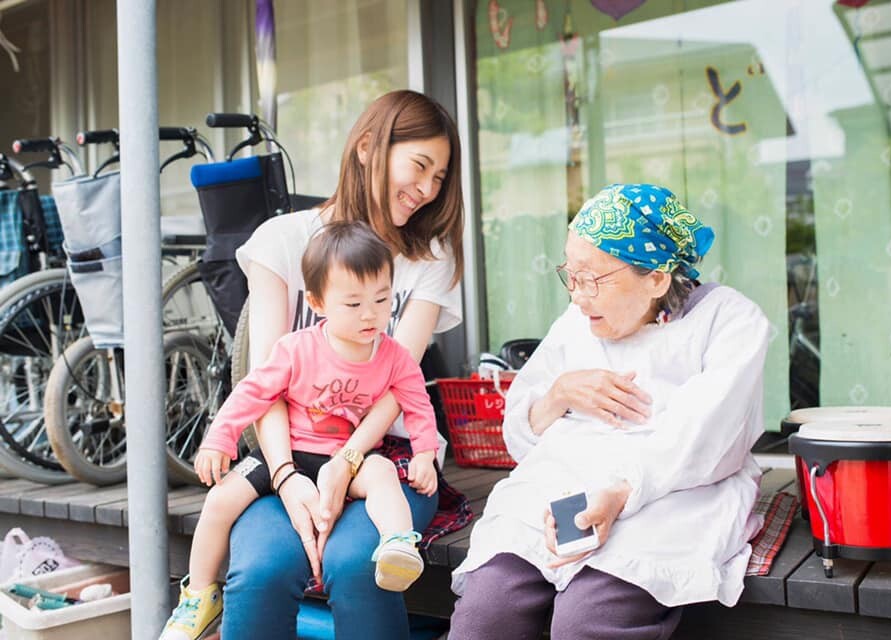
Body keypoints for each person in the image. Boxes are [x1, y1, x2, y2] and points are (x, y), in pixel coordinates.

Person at [448, 183, 771, 640]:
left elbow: (708, 438)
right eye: (571, 276)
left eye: (593, 279)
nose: (577, 296)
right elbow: (520, 430)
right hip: (563, 483)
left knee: (588, 620)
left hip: (674, 493)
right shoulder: (577, 322)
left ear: (657, 277)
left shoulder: (729, 322)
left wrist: (622, 492)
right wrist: (559, 394)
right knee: (488, 610)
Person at [220, 90, 464, 640]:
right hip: (293, 447)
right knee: (261, 570)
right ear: (367, 148)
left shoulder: (430, 259)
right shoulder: (280, 242)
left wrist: (347, 461)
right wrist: (285, 478)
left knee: (360, 565)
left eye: (440, 178)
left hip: (387, 454)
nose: (427, 190)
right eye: (420, 167)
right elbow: (267, 382)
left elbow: (397, 383)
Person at [160, 222, 440, 640]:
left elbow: (417, 403)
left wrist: (423, 452)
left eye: (382, 300)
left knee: (383, 475)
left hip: (347, 456)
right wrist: (219, 437)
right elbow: (252, 394)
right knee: (219, 501)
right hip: (291, 453)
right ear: (317, 301)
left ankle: (398, 542)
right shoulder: (297, 349)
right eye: (354, 303)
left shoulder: (394, 356)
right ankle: (200, 593)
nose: (370, 314)